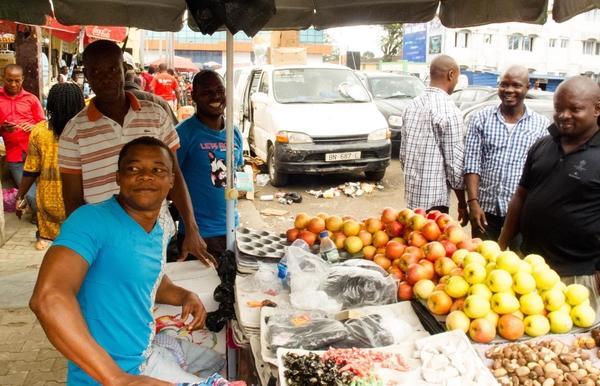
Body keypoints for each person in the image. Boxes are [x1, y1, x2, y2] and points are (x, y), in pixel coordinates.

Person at [30, 137, 224, 385]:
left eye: (158, 169)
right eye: (134, 169)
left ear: (172, 180)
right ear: (118, 177)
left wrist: (184, 296)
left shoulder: (162, 225)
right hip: (107, 373)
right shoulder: (90, 220)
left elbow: (146, 278)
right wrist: (117, 378)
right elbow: (48, 297)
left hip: (144, 351)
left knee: (218, 362)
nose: (146, 176)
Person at [58, 40, 214, 265]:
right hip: (104, 241)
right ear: (87, 77)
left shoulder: (156, 115)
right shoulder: (74, 131)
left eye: (112, 68)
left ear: (124, 70)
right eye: (95, 71)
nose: (105, 77)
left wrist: (191, 228)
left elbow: (175, 176)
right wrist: (84, 245)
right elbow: (72, 200)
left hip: (156, 234)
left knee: (157, 294)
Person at [498, 76, 600, 281]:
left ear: (597, 109)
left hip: (577, 275)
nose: (563, 116)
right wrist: (501, 245)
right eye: (558, 108)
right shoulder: (543, 144)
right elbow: (520, 196)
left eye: (575, 109)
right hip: (528, 267)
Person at [463, 65, 550, 241]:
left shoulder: (541, 125)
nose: (509, 90)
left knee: (517, 265)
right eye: (504, 85)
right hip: (485, 211)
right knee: (481, 263)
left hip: (521, 214)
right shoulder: (480, 118)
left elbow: (542, 174)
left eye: (516, 85)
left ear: (527, 86)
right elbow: (472, 163)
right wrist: (473, 203)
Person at [176, 70, 244, 259]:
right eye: (206, 92)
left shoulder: (234, 132)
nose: (215, 97)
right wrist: (190, 229)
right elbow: (171, 182)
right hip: (199, 235)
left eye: (220, 90)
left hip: (233, 229)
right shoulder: (183, 134)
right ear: (194, 96)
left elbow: (236, 171)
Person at [400, 55, 468, 223]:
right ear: (451, 75)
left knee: (413, 244)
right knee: (430, 244)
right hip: (435, 204)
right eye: (457, 78)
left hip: (411, 199)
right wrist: (462, 202)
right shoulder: (450, 111)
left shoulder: (412, 105)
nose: (456, 83)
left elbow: (403, 156)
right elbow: (454, 165)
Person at [16, 83, 84, 250]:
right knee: (81, 245)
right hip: (82, 200)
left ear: (51, 104)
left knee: (60, 246)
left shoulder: (39, 131)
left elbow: (31, 169)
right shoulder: (88, 130)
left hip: (49, 200)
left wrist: (20, 196)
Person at [0, 64, 45, 215]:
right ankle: (40, 219)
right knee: (30, 193)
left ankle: (42, 221)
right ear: (3, 78)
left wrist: (33, 127)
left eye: (17, 80)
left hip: (36, 152)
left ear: (23, 80)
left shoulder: (31, 99)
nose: (13, 84)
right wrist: (2, 128)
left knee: (46, 189)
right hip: (14, 155)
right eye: (9, 80)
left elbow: (45, 124)